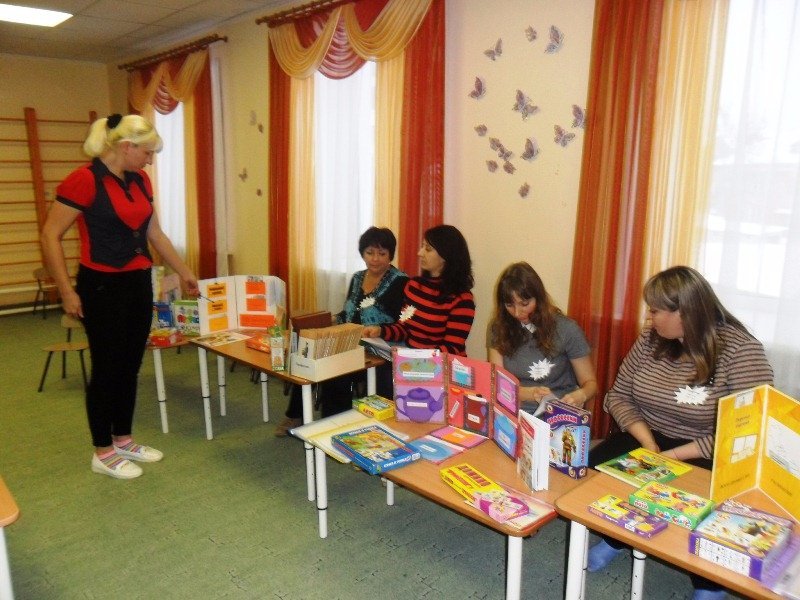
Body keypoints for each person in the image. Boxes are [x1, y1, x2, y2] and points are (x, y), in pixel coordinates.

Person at [587, 266, 773, 600]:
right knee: (592, 472)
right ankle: (617, 537)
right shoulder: (652, 338)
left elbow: (749, 429)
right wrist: (648, 443)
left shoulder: (741, 351)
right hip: (650, 434)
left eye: (656, 310)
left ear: (684, 313)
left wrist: (671, 457)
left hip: (709, 449)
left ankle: (709, 583)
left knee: (701, 509)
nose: (649, 317)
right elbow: (618, 395)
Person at [41, 114, 199, 480]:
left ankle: (123, 439)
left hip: (137, 281)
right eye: (147, 152)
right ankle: (102, 450)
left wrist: (184, 270)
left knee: (130, 366)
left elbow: (154, 233)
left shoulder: (140, 180)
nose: (150, 160)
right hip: (101, 285)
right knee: (107, 368)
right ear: (127, 147)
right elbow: (50, 235)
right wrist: (66, 290)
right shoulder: (84, 180)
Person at [274, 227, 408, 435]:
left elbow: (404, 324)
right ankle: (299, 415)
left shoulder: (401, 282)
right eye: (370, 253)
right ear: (362, 253)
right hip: (350, 342)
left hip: (380, 350)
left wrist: (379, 330)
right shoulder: (357, 277)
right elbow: (348, 313)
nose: (375, 259)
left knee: (338, 371)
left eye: (382, 254)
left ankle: (341, 427)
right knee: (312, 356)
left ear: (391, 255)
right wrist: (330, 320)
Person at [488, 262, 597, 412]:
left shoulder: (567, 329)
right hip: (513, 409)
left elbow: (591, 384)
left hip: (557, 411)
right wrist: (529, 394)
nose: (517, 313)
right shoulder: (499, 327)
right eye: (509, 305)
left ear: (538, 298)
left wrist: (581, 395)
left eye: (524, 304)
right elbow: (496, 384)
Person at [363, 224, 475, 356]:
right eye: (422, 247)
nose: (420, 253)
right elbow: (404, 327)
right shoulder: (414, 286)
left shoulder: (462, 299)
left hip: (442, 365)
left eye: (428, 249)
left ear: (446, 255)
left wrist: (415, 356)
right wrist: (380, 331)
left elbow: (452, 348)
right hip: (412, 361)